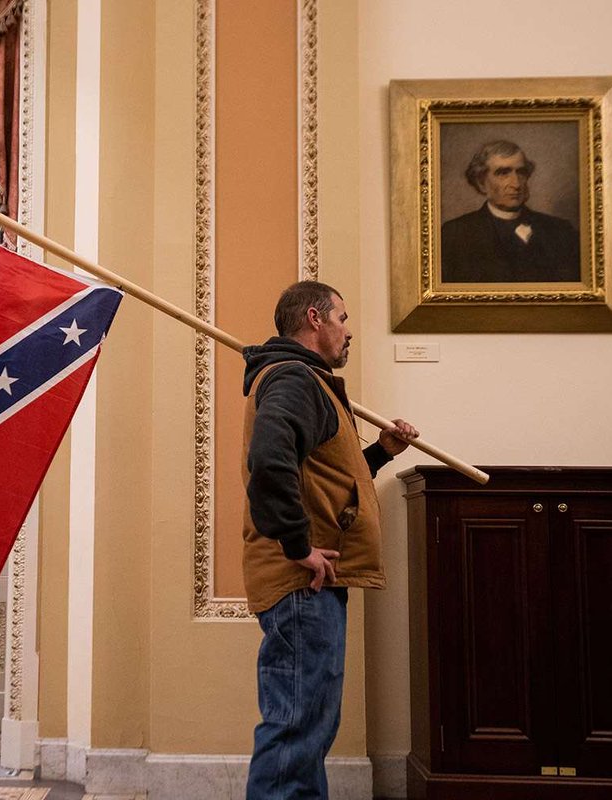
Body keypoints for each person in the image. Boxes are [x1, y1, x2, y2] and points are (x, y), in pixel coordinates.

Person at [241, 281, 418, 799]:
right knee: (297, 728)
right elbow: (269, 465)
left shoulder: (306, 381)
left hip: (311, 581)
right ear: (314, 318)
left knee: (307, 729)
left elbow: (329, 481)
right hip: (303, 580)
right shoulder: (295, 379)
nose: (349, 332)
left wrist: (382, 452)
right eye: (343, 318)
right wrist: (299, 548)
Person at [440, 139, 580, 283]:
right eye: (503, 173)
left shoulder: (561, 231)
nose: (516, 184)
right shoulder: (454, 234)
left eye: (521, 172)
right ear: (481, 183)